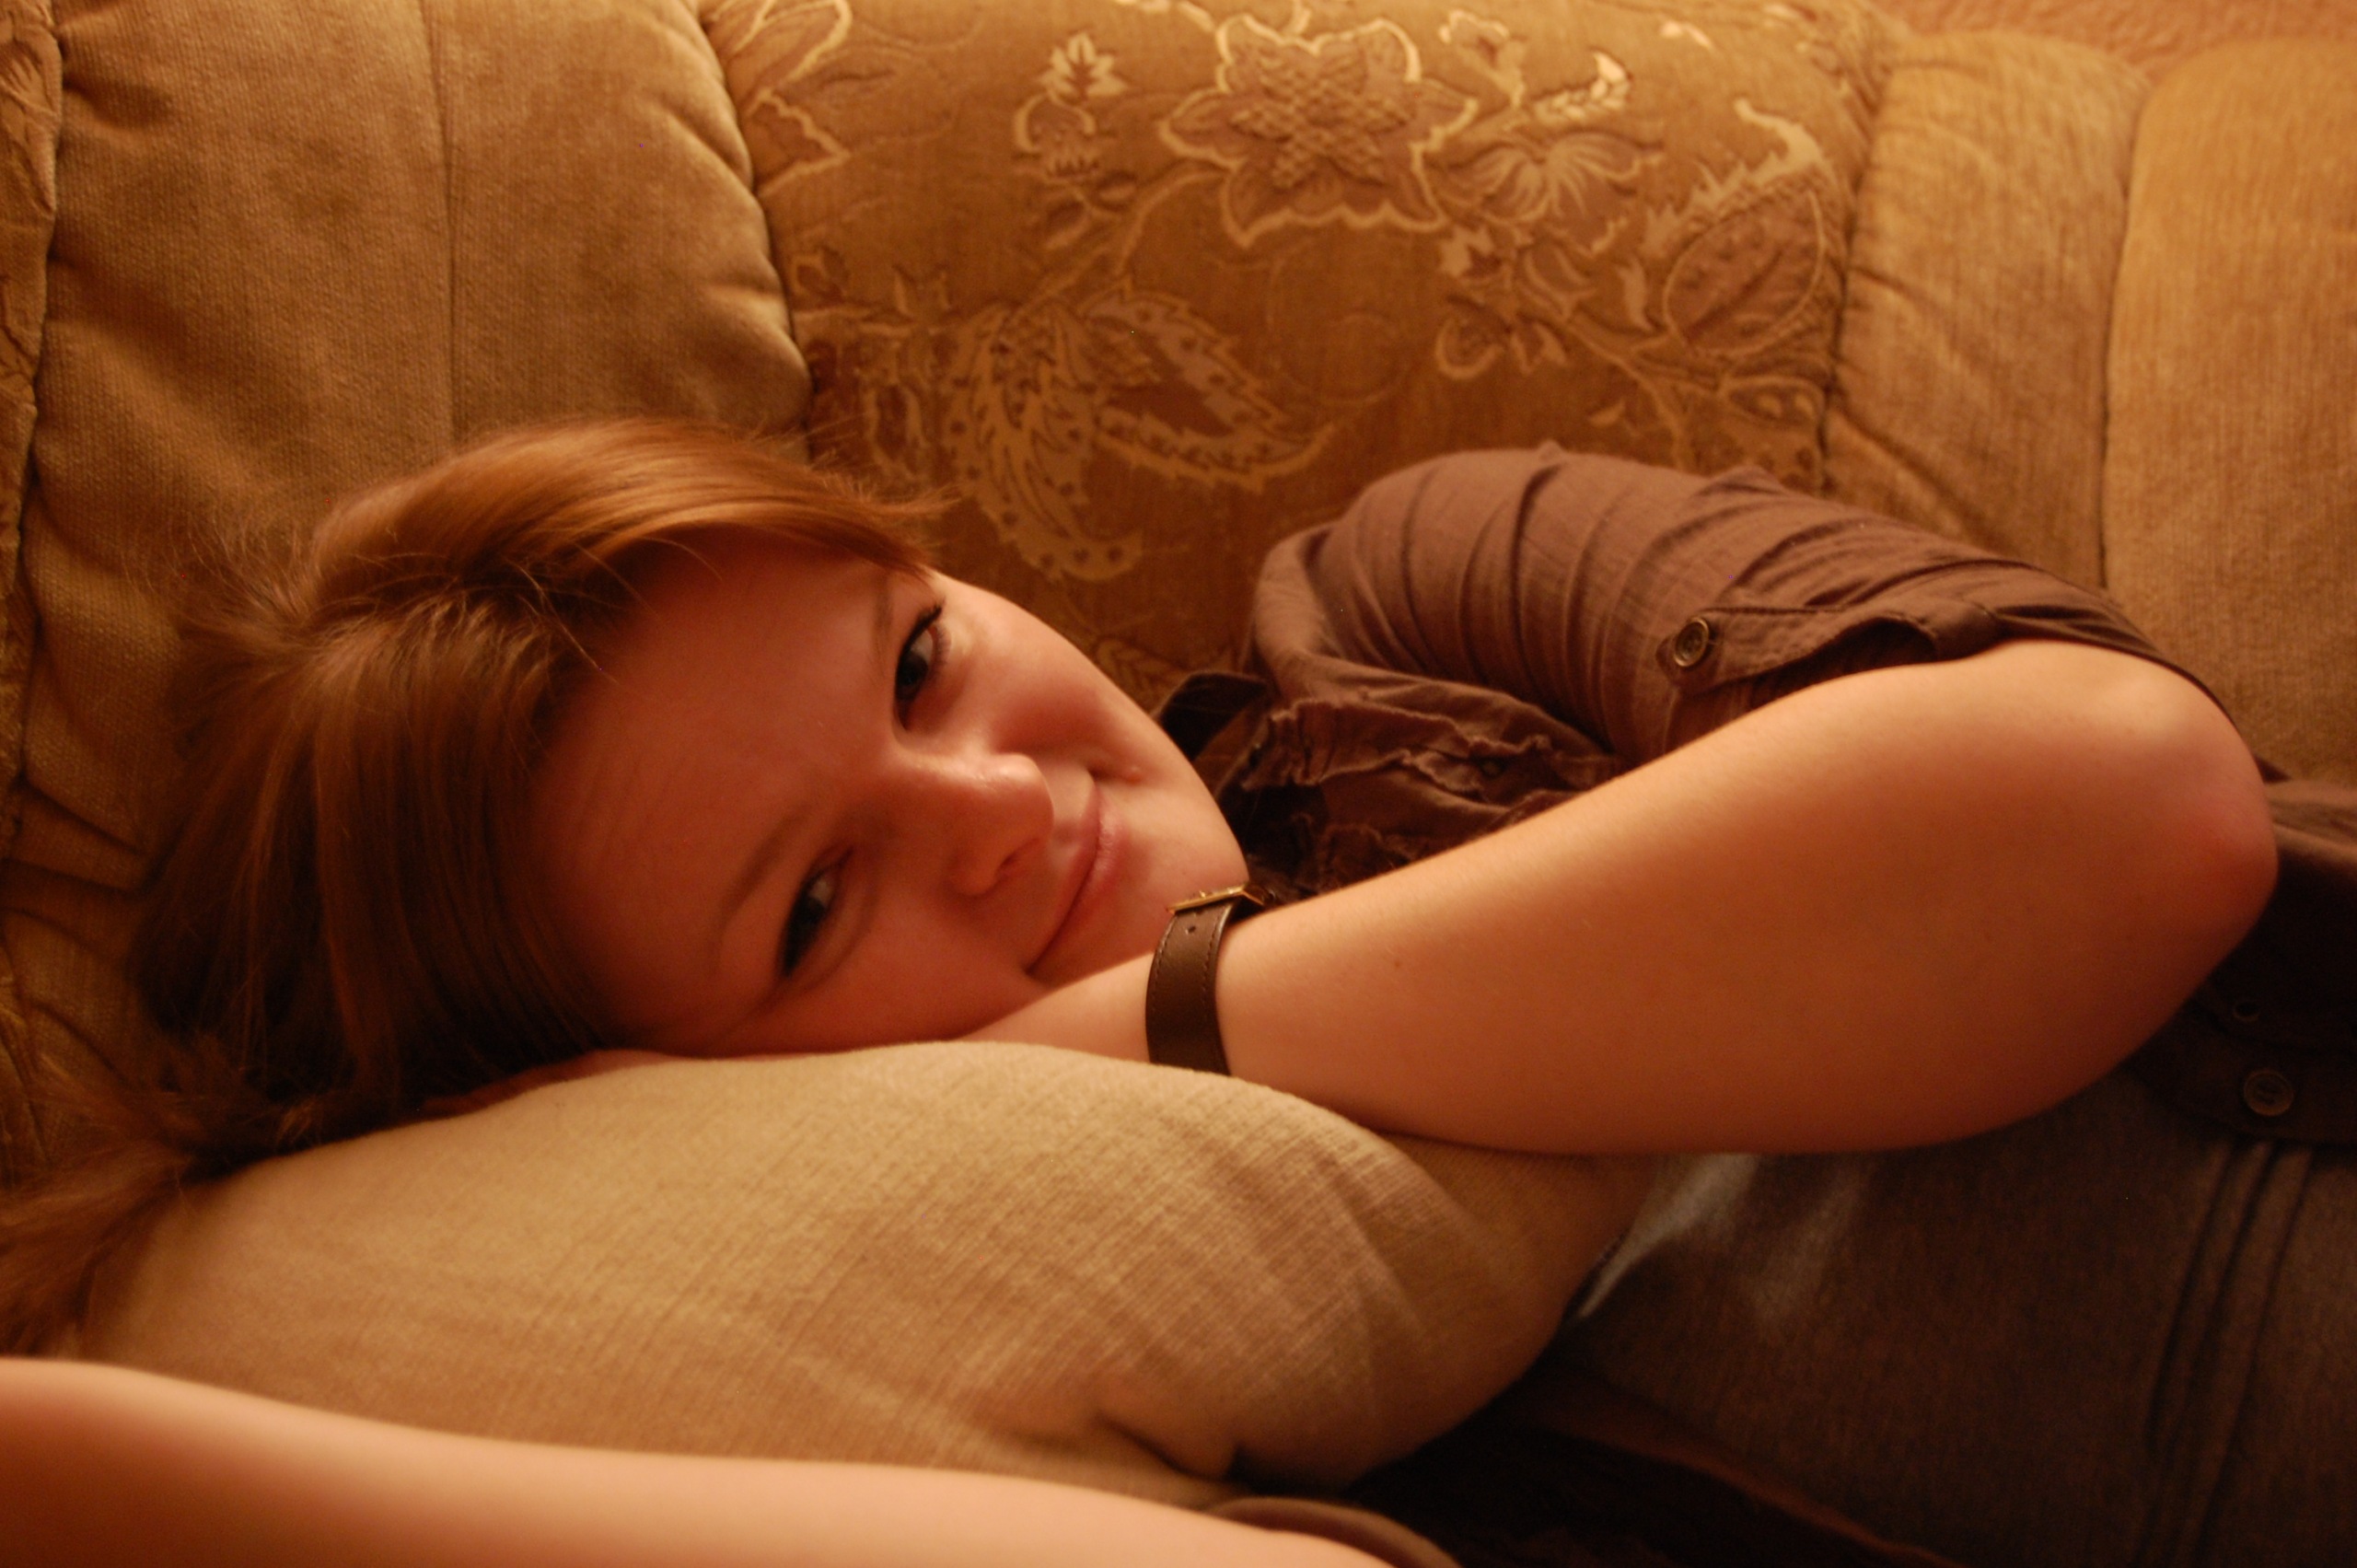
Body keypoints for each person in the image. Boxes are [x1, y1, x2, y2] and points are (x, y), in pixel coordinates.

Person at [0, 417, 2295, 1566]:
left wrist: (1157, 1008)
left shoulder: (1419, 590)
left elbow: (2127, 813)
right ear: (631, 1105)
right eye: (813, 902)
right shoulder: (1019, 1348)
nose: (997, 799)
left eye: (917, 657)